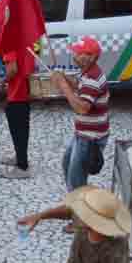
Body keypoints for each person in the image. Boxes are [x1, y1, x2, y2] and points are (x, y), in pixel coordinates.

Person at [54, 37, 110, 190]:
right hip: (83, 134)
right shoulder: (87, 72)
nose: (75, 56)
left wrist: (63, 86)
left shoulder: (92, 78)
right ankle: (74, 200)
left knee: (76, 180)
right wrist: (64, 77)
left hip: (90, 137)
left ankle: (77, 205)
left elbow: (82, 108)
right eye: (75, 52)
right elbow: (79, 86)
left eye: (79, 53)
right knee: (67, 163)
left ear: (91, 57)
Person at [0, 41, 36, 179]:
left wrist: (4, 80)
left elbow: (12, 69)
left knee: (17, 130)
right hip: (24, 92)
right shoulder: (26, 40)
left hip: (16, 93)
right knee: (22, 129)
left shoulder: (10, 44)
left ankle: (22, 166)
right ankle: (20, 157)